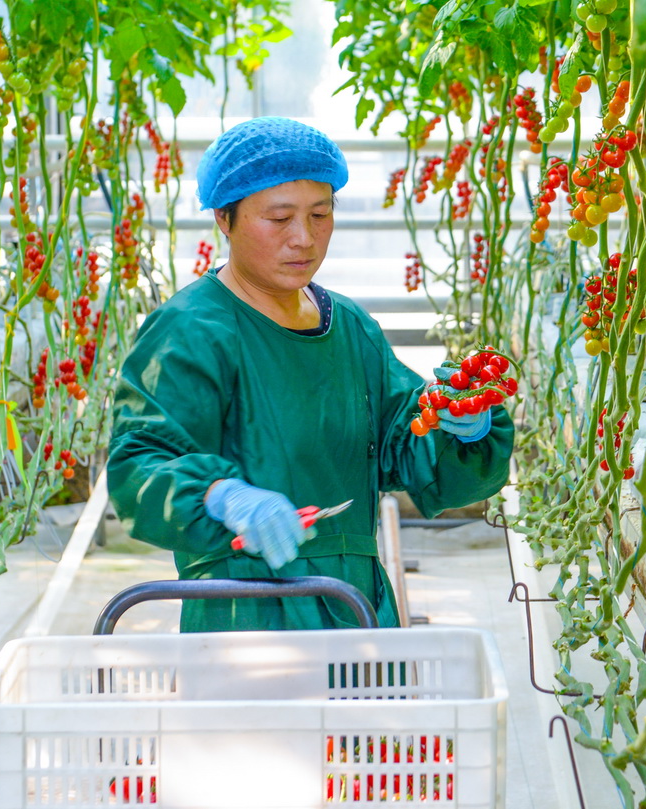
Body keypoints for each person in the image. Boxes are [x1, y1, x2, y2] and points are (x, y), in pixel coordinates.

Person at [107, 117, 514, 632]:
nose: (304, 238)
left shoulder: (348, 328)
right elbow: (139, 465)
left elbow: (405, 447)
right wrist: (219, 495)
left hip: (352, 605)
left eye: (320, 214)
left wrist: (463, 429)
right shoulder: (191, 331)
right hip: (244, 614)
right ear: (223, 219)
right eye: (279, 219)